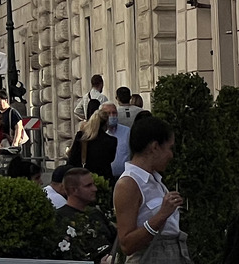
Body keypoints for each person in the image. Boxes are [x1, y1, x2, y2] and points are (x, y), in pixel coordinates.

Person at [114, 114, 189, 264]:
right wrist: (161, 215)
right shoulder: (129, 184)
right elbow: (127, 244)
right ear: (154, 147)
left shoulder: (154, 180)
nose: (171, 155)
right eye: (169, 148)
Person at [55, 165, 114, 257]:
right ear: (73, 190)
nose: (95, 189)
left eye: (93, 184)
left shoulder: (96, 213)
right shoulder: (60, 218)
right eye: (88, 186)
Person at [68, 104, 119, 175]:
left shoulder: (81, 136)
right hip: (103, 179)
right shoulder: (111, 141)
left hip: (83, 177)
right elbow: (110, 159)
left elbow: (72, 159)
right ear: (106, 123)